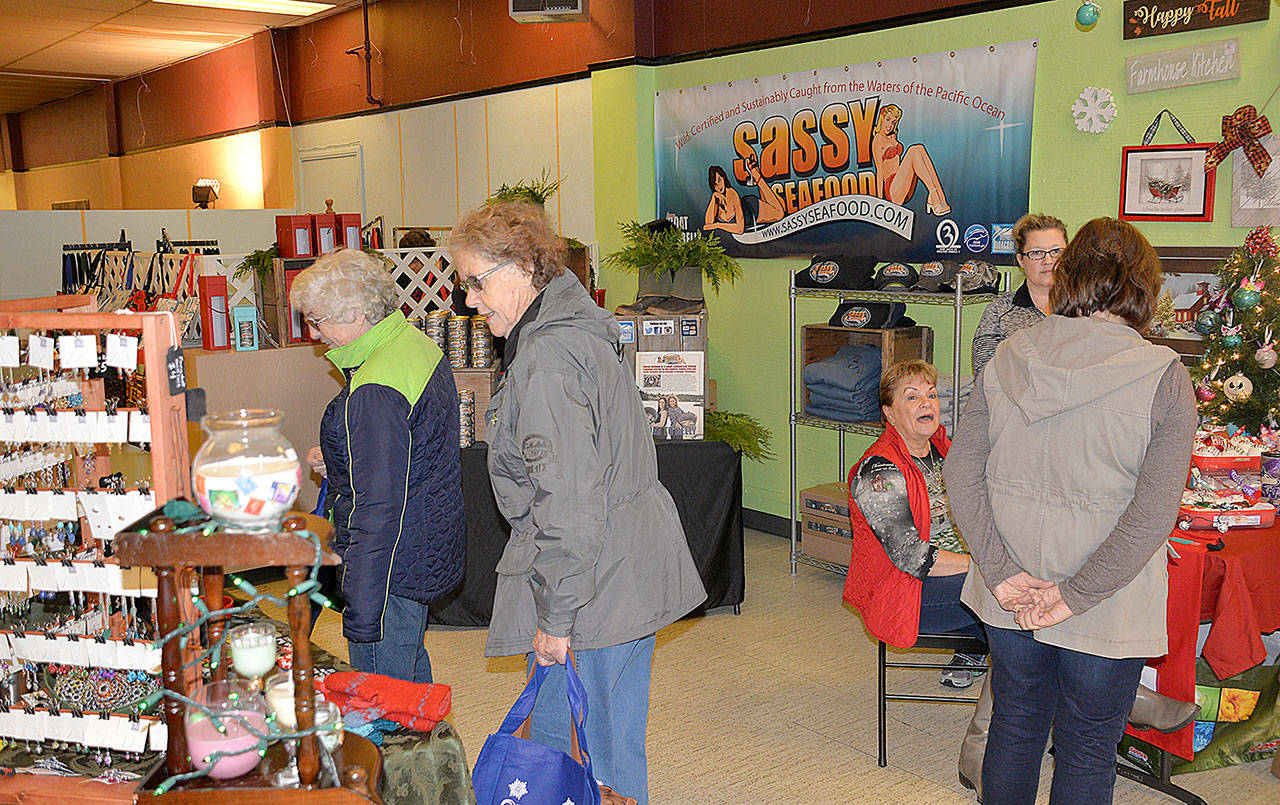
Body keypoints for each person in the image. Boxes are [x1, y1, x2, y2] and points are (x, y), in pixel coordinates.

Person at [449, 202, 706, 804]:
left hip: (595, 584)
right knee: (577, 742)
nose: (469, 300)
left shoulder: (546, 359)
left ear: (519, 269)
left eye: (476, 281)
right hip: (614, 568)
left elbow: (569, 501)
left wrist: (556, 615)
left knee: (602, 756)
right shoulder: (570, 333)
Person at [943, 217, 1197, 804]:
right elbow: (1154, 513)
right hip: (1106, 601)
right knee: (1086, 752)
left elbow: (961, 471)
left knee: (1016, 725)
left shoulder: (1009, 354)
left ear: (1070, 274)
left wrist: (1004, 574)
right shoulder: (1165, 375)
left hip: (1012, 594)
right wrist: (1073, 596)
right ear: (1143, 287)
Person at [290, 248, 465, 684]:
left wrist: (363, 607)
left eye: (316, 320)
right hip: (421, 542)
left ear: (353, 314)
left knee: (382, 696)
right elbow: (413, 451)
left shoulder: (375, 387)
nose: (313, 334)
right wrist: (344, 459)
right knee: (410, 674)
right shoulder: (412, 343)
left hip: (389, 563)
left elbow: (378, 508)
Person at [844, 359, 987, 689]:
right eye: (912, 397)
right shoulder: (877, 469)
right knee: (1007, 594)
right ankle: (1013, 708)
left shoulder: (943, 449)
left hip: (954, 574)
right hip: (904, 590)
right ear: (889, 413)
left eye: (932, 395)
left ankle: (992, 663)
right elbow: (912, 557)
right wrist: (980, 565)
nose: (926, 403)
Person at [971, 213, 1069, 376]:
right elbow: (985, 377)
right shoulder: (999, 312)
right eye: (1037, 253)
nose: (1048, 260)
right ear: (1020, 260)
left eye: (1056, 251)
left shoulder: (1086, 309)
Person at [872, 104, 950, 215]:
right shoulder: (878, 139)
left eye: (893, 122)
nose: (890, 125)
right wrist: (880, 203)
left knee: (919, 148)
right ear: (882, 119)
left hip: (903, 184)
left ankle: (940, 197)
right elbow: (879, 172)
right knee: (914, 150)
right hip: (892, 190)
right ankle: (934, 196)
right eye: (888, 120)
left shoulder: (893, 136)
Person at [703, 152, 785, 234]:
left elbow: (740, 229)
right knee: (768, 204)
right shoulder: (716, 198)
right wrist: (713, 198)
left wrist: (718, 225)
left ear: (724, 178)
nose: (719, 186)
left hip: (751, 208)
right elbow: (708, 224)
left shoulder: (732, 193)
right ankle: (756, 172)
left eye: (720, 180)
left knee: (779, 214)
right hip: (746, 207)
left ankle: (757, 177)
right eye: (715, 184)